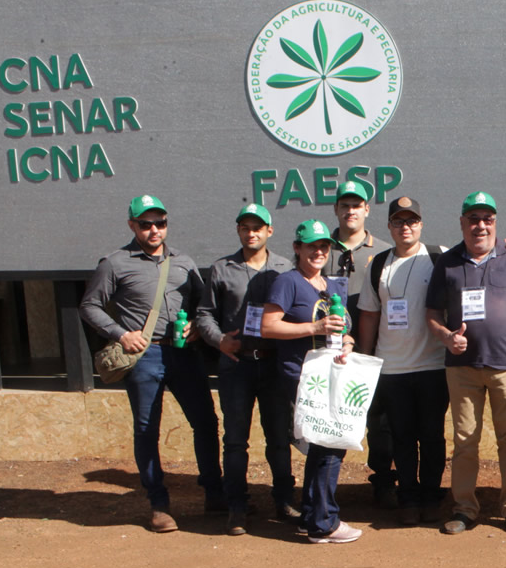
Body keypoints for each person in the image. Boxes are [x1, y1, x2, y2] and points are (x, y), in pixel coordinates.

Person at [80, 194, 223, 533]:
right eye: (146, 224)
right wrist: (120, 334)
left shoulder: (184, 262)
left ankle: (215, 494)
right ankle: (158, 504)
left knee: (205, 422)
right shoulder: (114, 263)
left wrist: (197, 330)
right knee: (147, 429)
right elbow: (89, 306)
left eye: (160, 223)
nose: (154, 230)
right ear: (133, 226)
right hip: (145, 355)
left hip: (184, 353)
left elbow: (203, 307)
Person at [425, 192, 506, 535]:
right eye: (473, 219)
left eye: (487, 219)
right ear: (462, 223)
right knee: (465, 440)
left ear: (496, 223)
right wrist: (447, 336)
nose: (480, 226)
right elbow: (431, 315)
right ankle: (464, 508)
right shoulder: (446, 263)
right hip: (462, 368)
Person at [195, 202, 295, 535]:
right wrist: (218, 339)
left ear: (269, 231)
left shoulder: (285, 268)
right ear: (238, 230)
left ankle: (284, 501)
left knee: (279, 438)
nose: (251, 233)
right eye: (245, 227)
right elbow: (204, 314)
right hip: (236, 366)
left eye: (257, 227)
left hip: (274, 365)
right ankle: (236, 507)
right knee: (236, 440)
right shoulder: (222, 268)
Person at [261, 219, 363, 544]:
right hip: (302, 376)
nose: (318, 251)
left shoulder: (328, 285)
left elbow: (341, 329)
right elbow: (268, 326)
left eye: (323, 246)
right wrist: (314, 329)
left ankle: (310, 518)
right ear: (297, 248)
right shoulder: (288, 281)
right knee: (328, 445)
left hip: (329, 373)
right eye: (311, 246)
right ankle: (324, 523)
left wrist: (347, 343)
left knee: (324, 446)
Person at [354, 197, 450, 526]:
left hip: (433, 366)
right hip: (391, 368)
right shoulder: (379, 264)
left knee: (433, 436)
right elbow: (369, 316)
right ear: (389, 227)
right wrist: (366, 362)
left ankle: (432, 495)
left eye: (411, 221)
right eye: (398, 221)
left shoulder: (439, 257)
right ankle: (408, 497)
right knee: (402, 437)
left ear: (421, 225)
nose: (405, 227)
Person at [324, 180, 395, 507]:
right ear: (336, 209)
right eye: (345, 205)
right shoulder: (321, 248)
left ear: (367, 209)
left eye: (357, 205)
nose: (350, 210)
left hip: (372, 349)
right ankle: (325, 487)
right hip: (329, 351)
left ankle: (383, 481)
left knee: (379, 421)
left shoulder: (382, 251)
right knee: (328, 418)